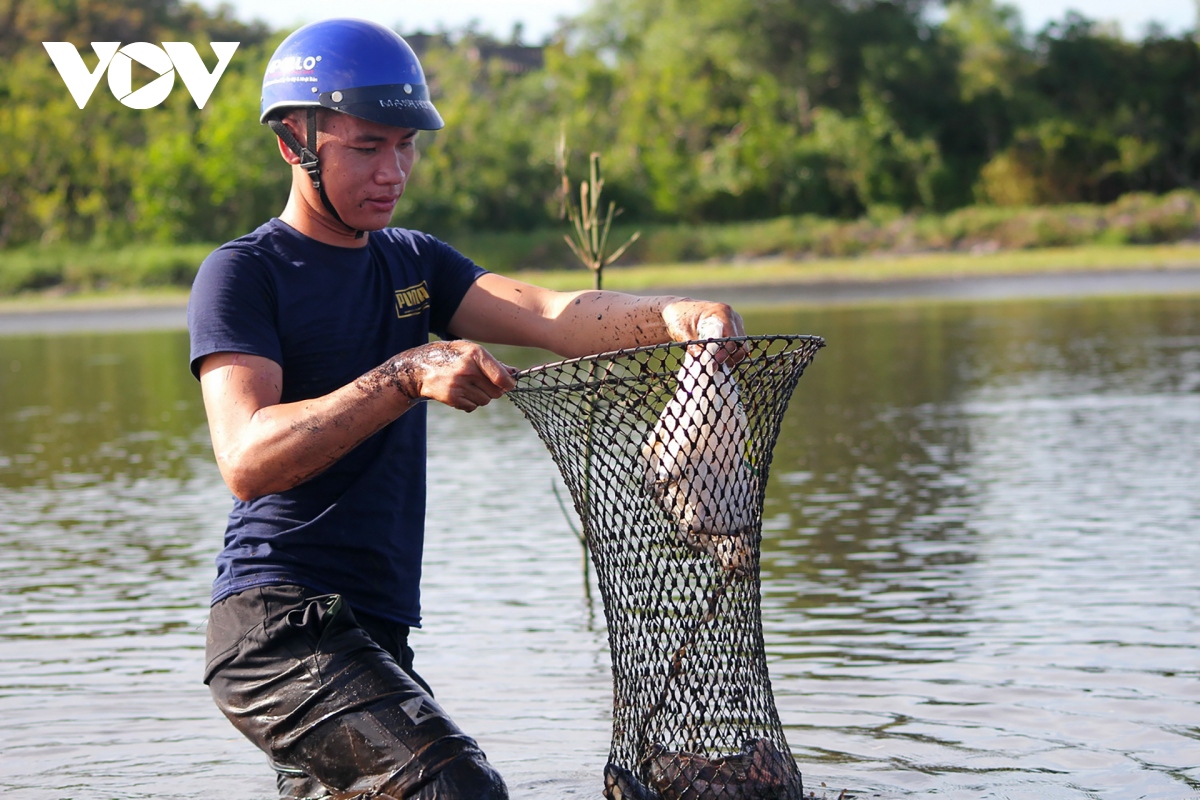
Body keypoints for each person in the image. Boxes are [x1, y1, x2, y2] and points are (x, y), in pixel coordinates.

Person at [188, 18, 745, 800]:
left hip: (375, 630)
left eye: (406, 146)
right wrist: (408, 372)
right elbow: (246, 459)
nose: (394, 170)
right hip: (278, 629)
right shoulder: (245, 274)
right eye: (366, 147)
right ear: (294, 143)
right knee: (458, 790)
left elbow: (553, 316)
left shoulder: (413, 262)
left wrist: (682, 317)